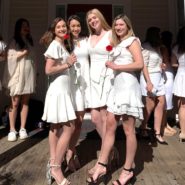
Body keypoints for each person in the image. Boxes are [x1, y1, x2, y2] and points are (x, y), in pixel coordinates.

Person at [87, 14, 144, 185]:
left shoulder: (133, 41)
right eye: (116, 25)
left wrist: (116, 66)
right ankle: (102, 165)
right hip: (116, 89)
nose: (118, 27)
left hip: (128, 88)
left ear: (127, 26)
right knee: (110, 126)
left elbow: (139, 64)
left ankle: (127, 171)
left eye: (121, 25)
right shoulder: (117, 43)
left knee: (128, 131)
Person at [40, 17, 77, 185]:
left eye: (64, 26)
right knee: (70, 127)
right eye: (59, 27)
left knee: (55, 127)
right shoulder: (54, 45)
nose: (62, 29)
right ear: (54, 30)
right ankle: (56, 167)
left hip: (63, 91)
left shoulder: (62, 44)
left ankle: (53, 160)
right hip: (58, 91)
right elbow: (48, 70)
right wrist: (67, 64)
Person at [86, 8, 117, 174]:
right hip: (93, 80)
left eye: (94, 18)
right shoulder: (90, 37)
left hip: (106, 78)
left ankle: (103, 158)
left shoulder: (110, 34)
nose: (92, 21)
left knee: (104, 117)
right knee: (95, 118)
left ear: (100, 18)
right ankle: (111, 150)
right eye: (90, 19)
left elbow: (118, 52)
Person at [3, 18, 36, 142]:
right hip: (17, 75)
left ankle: (22, 128)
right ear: (18, 28)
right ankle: (12, 129)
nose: (26, 27)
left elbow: (33, 60)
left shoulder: (30, 41)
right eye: (23, 26)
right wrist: (21, 54)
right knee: (15, 103)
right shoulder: (14, 41)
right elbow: (9, 56)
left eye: (27, 25)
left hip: (28, 75)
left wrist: (34, 73)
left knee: (25, 102)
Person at [65, 15, 91, 172]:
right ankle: (68, 153)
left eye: (78, 25)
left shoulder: (86, 41)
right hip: (69, 84)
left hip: (83, 84)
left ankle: (70, 152)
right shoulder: (64, 42)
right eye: (72, 26)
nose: (75, 28)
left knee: (79, 121)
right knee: (69, 123)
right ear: (68, 27)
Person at [139, 26, 167, 144]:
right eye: (159, 34)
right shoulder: (146, 47)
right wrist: (149, 82)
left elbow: (158, 62)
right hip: (148, 77)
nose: (161, 36)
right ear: (154, 35)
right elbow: (143, 65)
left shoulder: (157, 48)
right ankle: (143, 127)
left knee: (161, 102)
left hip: (159, 77)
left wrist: (162, 66)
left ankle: (157, 132)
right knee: (149, 106)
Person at [161, 31, 176, 136]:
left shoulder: (166, 48)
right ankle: (163, 126)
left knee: (165, 102)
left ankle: (165, 124)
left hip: (167, 74)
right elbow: (167, 63)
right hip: (167, 75)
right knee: (165, 102)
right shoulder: (164, 48)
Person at [172, 26, 185, 142]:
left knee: (182, 106)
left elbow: (173, 63)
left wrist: (181, 65)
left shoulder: (177, 47)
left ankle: (183, 132)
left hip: (181, 76)